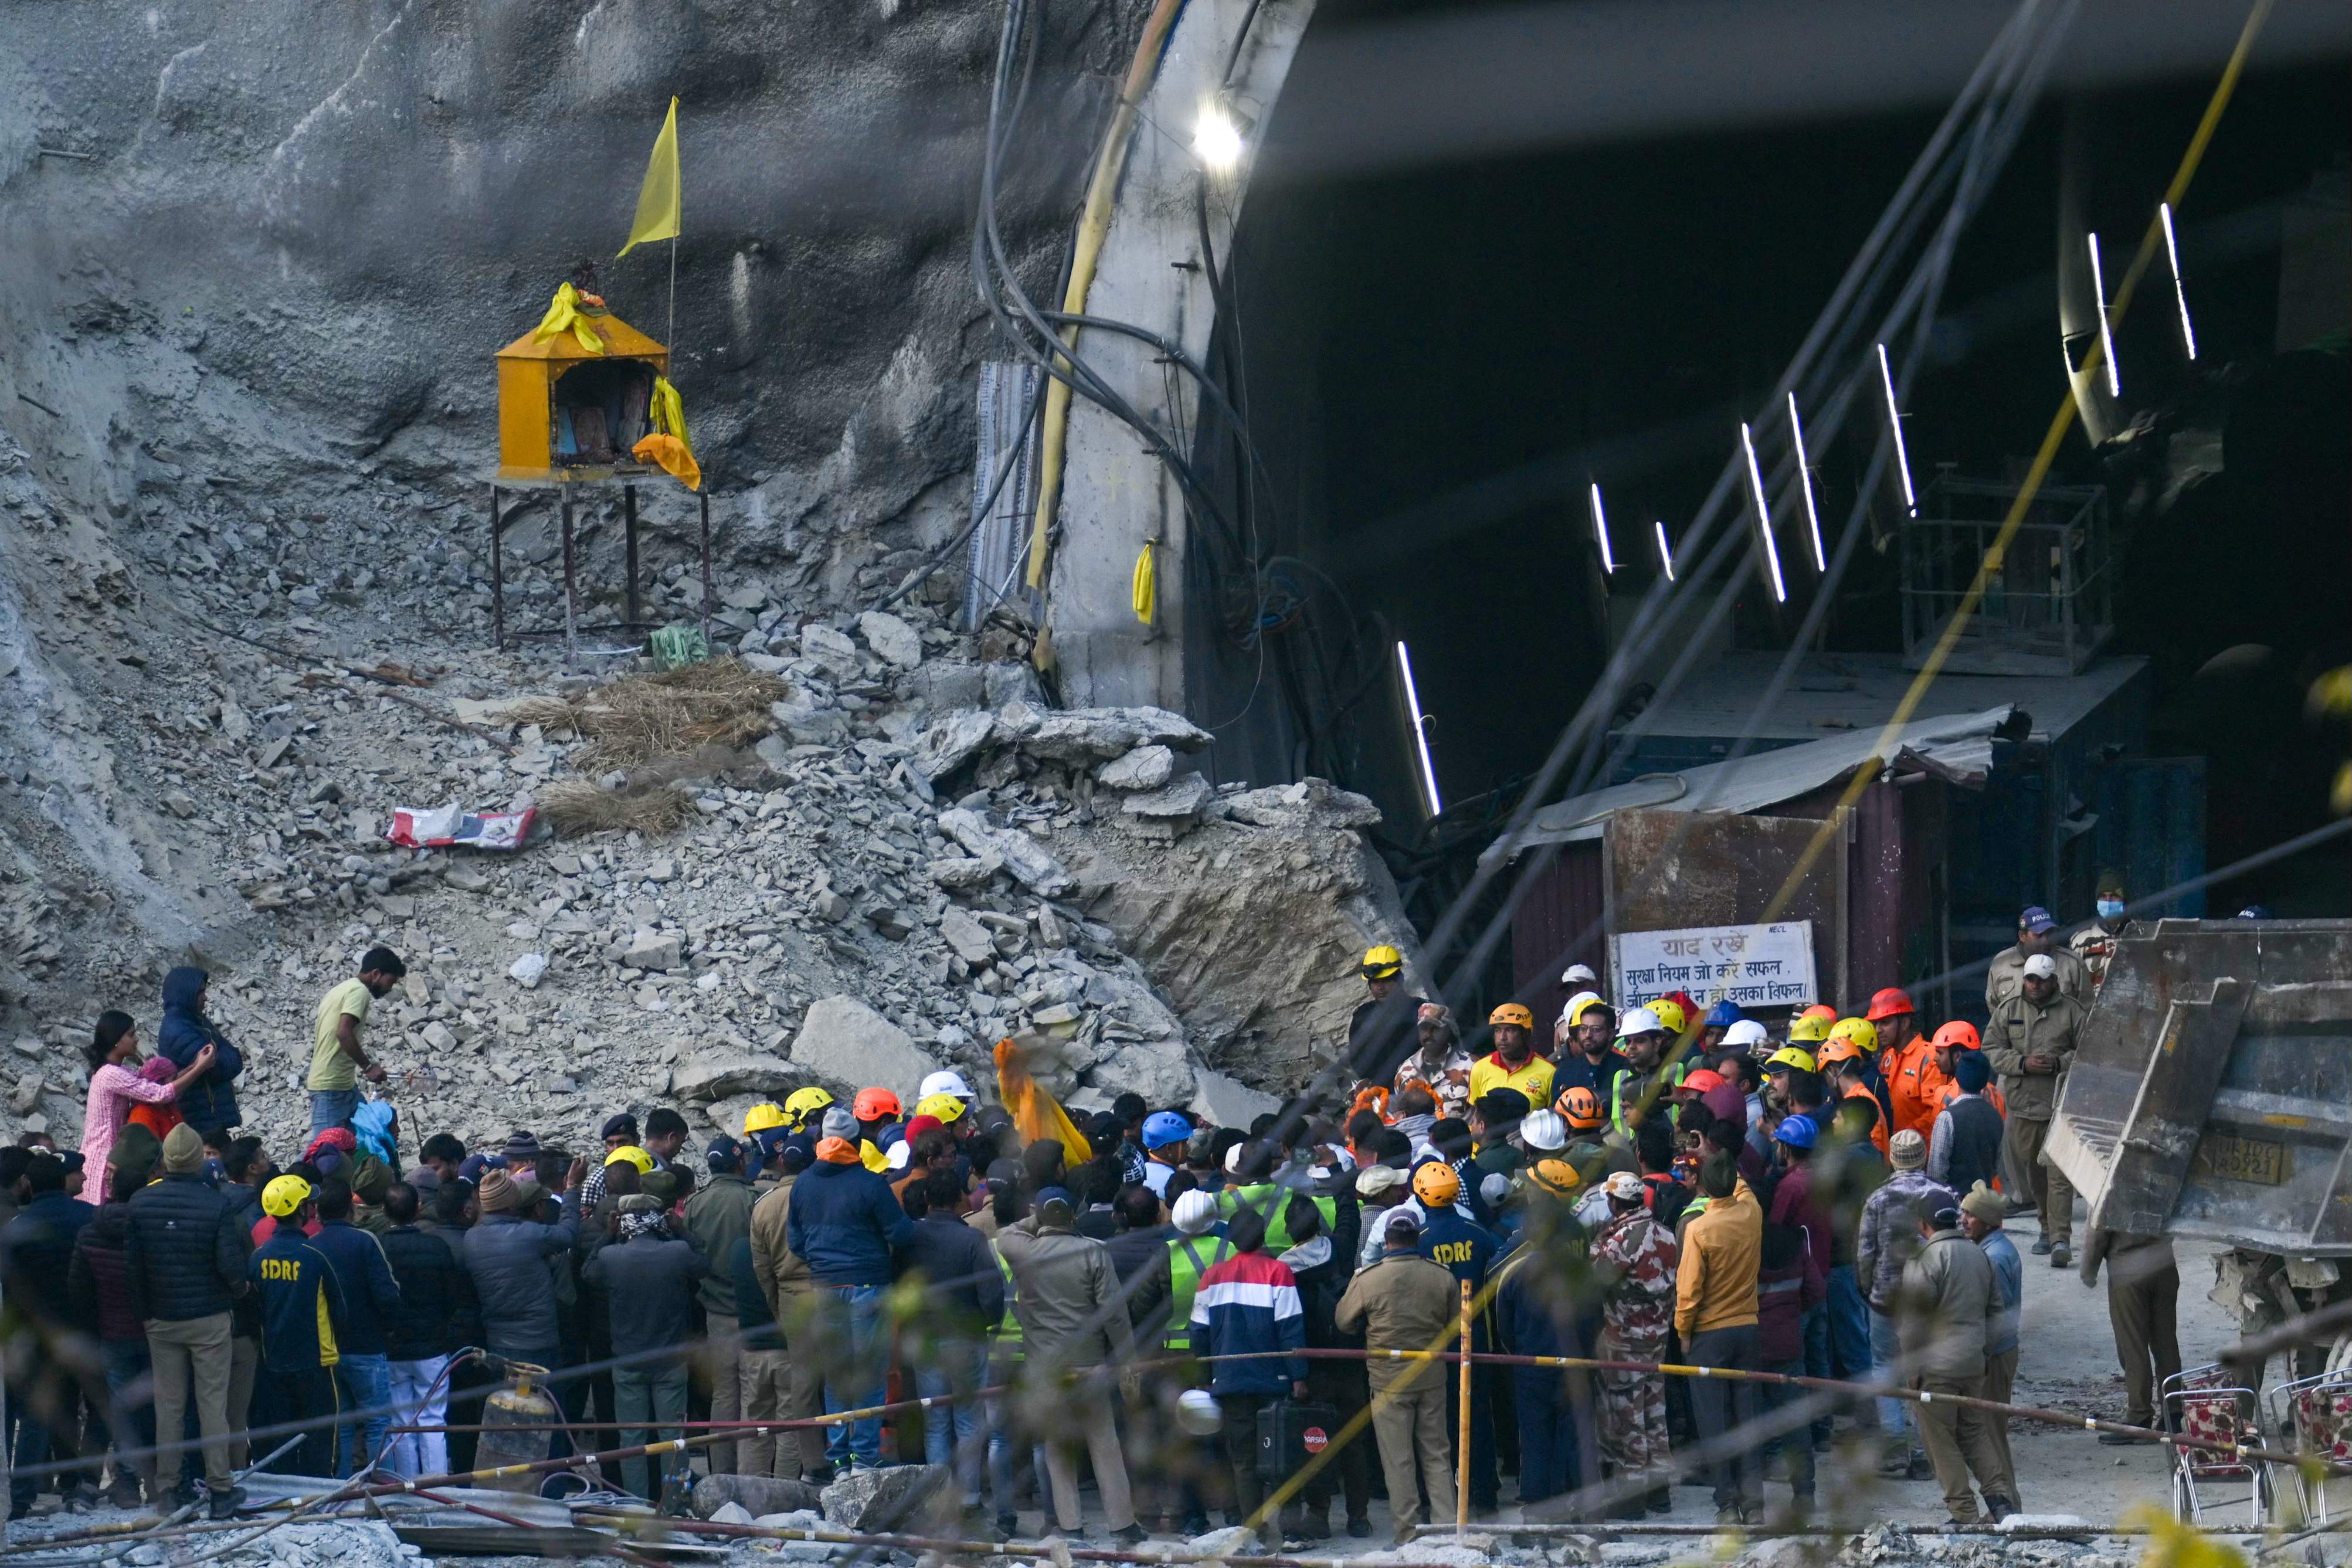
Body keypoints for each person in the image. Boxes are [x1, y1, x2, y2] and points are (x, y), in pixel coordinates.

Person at [1000, 1186, 1143, 1544]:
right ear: (1074, 1217)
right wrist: (1127, 1359)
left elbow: (1005, 1234)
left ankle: (1070, 1526)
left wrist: (1040, 1216)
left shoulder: (1025, 1252)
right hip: (1090, 1365)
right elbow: (1114, 1314)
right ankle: (1122, 1525)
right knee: (1104, 1444)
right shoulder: (1094, 1251)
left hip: (1046, 1369)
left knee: (1058, 1447)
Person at [125, 1125, 249, 1516]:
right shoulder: (215, 1205)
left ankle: (168, 1489)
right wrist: (238, 1292)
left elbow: (135, 1270)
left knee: (169, 1407)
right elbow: (230, 1267)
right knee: (212, 1405)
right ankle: (221, 1490)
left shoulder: (140, 1203)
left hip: (162, 1320)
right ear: (199, 1158)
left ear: (165, 1159)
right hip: (209, 1319)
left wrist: (145, 1313)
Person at [788, 1107, 916, 1475]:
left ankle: (839, 1458)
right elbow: (901, 1234)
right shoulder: (871, 1183)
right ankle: (864, 1458)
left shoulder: (804, 1184)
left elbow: (795, 1242)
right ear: (858, 1142)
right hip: (867, 1286)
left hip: (825, 1288)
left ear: (820, 1142)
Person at [1335, 1210, 1459, 1542]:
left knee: (1399, 1461)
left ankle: (1407, 1534)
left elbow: (1344, 1322)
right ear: (1418, 1238)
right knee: (1437, 1455)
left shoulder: (1368, 1279)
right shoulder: (1442, 1277)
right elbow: (1457, 1325)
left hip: (1388, 1381)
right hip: (1432, 1377)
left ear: (1387, 1240)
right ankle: (1447, 1528)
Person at [1192, 1206, 1308, 1549]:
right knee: (1283, 1458)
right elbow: (1290, 1329)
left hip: (1229, 1381)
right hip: (1274, 1381)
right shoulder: (1279, 1271)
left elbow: (1199, 1333)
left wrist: (1203, 1377)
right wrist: (1299, 1376)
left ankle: (1252, 1532)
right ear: (1262, 1237)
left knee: (1243, 1461)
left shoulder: (1212, 1276)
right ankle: (1291, 1531)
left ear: (1230, 1240)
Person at [583, 1194, 708, 1503]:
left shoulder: (611, 1257)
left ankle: (635, 1504)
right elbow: (705, 1262)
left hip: (627, 1361)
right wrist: (682, 1230)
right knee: (672, 1438)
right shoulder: (678, 1252)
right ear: (660, 1220)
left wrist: (606, 1236)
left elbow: (588, 1272)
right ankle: (674, 1502)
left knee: (632, 1438)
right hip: (671, 1361)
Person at [1898, 1202, 2011, 1524]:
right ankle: (2001, 1501)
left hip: (1937, 1369)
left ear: (1923, 1224)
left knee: (1941, 1441)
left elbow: (1913, 1326)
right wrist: (1983, 1354)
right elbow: (1995, 1313)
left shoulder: (1923, 1261)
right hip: (1973, 1363)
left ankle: (1963, 1512)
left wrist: (1911, 1371)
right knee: (1974, 1433)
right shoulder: (1980, 1255)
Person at [901, 1167, 1003, 1516]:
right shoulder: (973, 1240)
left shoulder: (910, 1237)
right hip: (967, 1339)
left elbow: (899, 1285)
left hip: (926, 1340)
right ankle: (969, 1499)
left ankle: (938, 1500)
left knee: (935, 1421)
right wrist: (987, 1323)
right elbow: (992, 1293)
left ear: (927, 1200)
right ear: (961, 1199)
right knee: (969, 1421)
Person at [5, 1153, 102, 1514]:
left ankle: (23, 1495)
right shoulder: (89, 1216)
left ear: (29, 1185)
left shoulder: (18, 1225)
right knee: (93, 1405)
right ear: (63, 1181)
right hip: (86, 1328)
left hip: (39, 1333)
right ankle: (80, 1483)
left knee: (42, 1410)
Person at [1857, 1130, 1953, 1478]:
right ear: (1924, 1156)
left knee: (1885, 1368)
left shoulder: (1878, 1199)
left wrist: (1867, 1288)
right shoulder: (1944, 1195)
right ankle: (1924, 1452)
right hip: (1928, 1300)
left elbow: (1866, 1251)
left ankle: (1895, 1447)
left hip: (1886, 1298)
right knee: (1924, 1373)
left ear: (1893, 1159)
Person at [1674, 1152, 1763, 1525]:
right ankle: (1755, 1505)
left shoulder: (1700, 1229)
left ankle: (1726, 1504)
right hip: (1748, 1328)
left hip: (1709, 1334)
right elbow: (1741, 1187)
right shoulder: (1751, 1214)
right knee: (1748, 1420)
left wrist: (1683, 1332)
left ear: (1704, 1188)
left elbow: (1688, 1291)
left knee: (1714, 1422)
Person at [1986, 953, 2088, 1268]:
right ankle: (2046, 1228)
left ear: (2054, 981)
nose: (2035, 985)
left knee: (2060, 1176)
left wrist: (2059, 1064)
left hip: (2060, 1106)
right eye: (2030, 979)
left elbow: (2089, 1050)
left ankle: (2061, 1239)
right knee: (2035, 1172)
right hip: (2025, 1107)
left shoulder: (2072, 1011)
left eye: (2042, 980)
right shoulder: (2009, 1011)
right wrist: (2022, 1064)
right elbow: (1990, 1048)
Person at [1278, 1196, 1372, 1539]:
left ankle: (1318, 1517)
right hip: (1349, 1361)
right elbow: (1350, 1217)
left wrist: (1295, 1373)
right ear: (1319, 1223)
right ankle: (1358, 1518)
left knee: (1313, 1441)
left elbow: (1286, 1324)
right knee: (1354, 1443)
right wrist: (1336, 1179)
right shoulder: (1340, 1249)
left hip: (1312, 1368)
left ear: (1290, 1232)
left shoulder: (1283, 1268)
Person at [1411, 1162, 1499, 1512]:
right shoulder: (1478, 1233)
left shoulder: (1419, 1241)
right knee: (1479, 1417)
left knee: (1437, 1423)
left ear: (1420, 1196)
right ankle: (1484, 1492)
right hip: (1477, 1336)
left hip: (1434, 1343)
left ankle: (1442, 1497)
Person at [1589, 1170, 1676, 1517]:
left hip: (1625, 1340)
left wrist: (1598, 1244)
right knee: (1655, 1414)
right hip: (1658, 1338)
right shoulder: (1666, 1234)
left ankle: (1631, 1498)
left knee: (1627, 1419)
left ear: (1614, 1202)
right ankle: (1660, 1492)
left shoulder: (1622, 1239)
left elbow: (1597, 1278)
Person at [67, 1163, 152, 1506]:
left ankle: (125, 1483)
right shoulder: (148, 1230)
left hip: (111, 1335)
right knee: (157, 1407)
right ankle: (149, 1481)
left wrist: (94, 1328)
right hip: (151, 1332)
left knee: (119, 1409)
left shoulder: (89, 1232)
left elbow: (79, 1291)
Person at [249, 1175, 344, 1478]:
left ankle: (287, 1490)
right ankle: (319, 1494)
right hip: (316, 1361)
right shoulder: (316, 1256)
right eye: (308, 1203)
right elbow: (340, 1309)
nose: (313, 1208)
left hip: (274, 1362)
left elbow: (253, 1310)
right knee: (320, 1435)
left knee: (285, 1435)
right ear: (300, 1209)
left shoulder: (258, 1258)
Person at [306, 1176, 402, 1476]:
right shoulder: (366, 1242)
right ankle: (383, 1489)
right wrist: (389, 1328)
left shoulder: (310, 1247)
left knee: (343, 1426)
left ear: (319, 1214)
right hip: (368, 1346)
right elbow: (387, 1294)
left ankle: (343, 1491)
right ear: (351, 1210)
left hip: (329, 1351)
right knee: (377, 1423)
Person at [378, 1182, 475, 1478]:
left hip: (393, 1349)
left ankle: (406, 1485)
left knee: (402, 1421)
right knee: (433, 1419)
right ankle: (436, 1487)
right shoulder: (436, 1246)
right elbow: (452, 1298)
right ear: (417, 1208)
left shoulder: (378, 1246)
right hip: (432, 1347)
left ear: (385, 1211)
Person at [749, 1141, 829, 1482]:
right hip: (831, 1290)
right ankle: (849, 1458)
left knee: (805, 1385)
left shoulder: (764, 1207)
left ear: (782, 1162)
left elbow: (762, 1268)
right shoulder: (825, 1197)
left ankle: (814, 1464)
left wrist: (777, 1306)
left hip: (791, 1298)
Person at [684, 1135, 759, 1475]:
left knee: (724, 1394)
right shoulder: (753, 1199)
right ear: (740, 1162)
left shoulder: (695, 1204)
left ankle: (720, 1473)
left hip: (716, 1313)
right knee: (754, 1396)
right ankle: (749, 1473)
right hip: (754, 1313)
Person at [460, 1165, 581, 1370]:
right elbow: (568, 1234)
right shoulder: (529, 1235)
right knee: (545, 1400)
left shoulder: (471, 1239)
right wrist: (572, 1188)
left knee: (507, 1400)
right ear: (511, 1202)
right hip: (538, 1343)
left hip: (497, 1344)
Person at [80, 1012, 214, 1191]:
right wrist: (199, 1069)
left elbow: (154, 1085)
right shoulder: (111, 1074)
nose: (136, 1040)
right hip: (103, 1158)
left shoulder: (117, 1071)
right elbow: (160, 1093)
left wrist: (194, 1065)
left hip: (111, 1154)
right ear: (115, 1040)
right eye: (131, 1034)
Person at [2081, 1223, 2181, 1441]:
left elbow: (2098, 1228)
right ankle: (2173, 1413)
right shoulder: (2167, 1185)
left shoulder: (2111, 1186)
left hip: (2127, 1268)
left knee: (2132, 1346)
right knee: (2166, 1343)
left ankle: (2139, 1416)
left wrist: (2088, 1270)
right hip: (2164, 1262)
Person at [1754, 1217, 1822, 1517]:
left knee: (1748, 1420)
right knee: (1796, 1421)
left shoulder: (1746, 1246)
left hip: (1750, 1344)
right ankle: (1805, 1495)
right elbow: (1816, 1291)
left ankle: (1751, 1503)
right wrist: (1794, 1313)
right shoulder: (1796, 1245)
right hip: (1788, 1343)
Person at [1959, 1183, 2022, 1502]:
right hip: (2000, 1353)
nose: (1964, 1219)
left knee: (1991, 1435)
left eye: (1971, 1215)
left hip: (1995, 1357)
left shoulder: (1993, 1258)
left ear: (1986, 1220)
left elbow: (1996, 1318)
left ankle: (2008, 1505)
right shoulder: (1997, 1250)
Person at [307, 947, 403, 1139]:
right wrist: (368, 1067)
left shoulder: (343, 988)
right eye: (390, 982)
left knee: (361, 1135)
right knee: (324, 1152)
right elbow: (343, 1033)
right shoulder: (360, 992)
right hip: (330, 1088)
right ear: (376, 974)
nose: (390, 989)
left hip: (344, 1086)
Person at [155, 967, 245, 1149]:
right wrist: (223, 1054)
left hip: (210, 1118)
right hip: (200, 1121)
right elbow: (218, 1067)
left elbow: (235, 1059)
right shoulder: (177, 1030)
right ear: (186, 994)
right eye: (201, 992)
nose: (206, 998)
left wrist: (225, 1055)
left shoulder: (196, 1022)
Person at [1927, 1048, 2004, 1196]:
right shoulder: (1996, 1116)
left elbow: (1937, 1171)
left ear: (1959, 1078)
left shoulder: (1947, 1117)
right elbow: (1998, 1165)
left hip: (1956, 1201)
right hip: (1984, 1203)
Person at [1346, 945, 1426, 1083]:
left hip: (1424, 1088)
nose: (1380, 988)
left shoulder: (1422, 1012)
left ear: (1400, 979)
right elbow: (1358, 1061)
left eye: (1386, 980)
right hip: (1383, 1093)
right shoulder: (1363, 1017)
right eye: (1375, 982)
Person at [1984, 905, 2088, 1011]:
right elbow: (1994, 1008)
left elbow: (2086, 1009)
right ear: (2022, 936)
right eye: (2039, 935)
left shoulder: (2072, 963)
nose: (2046, 940)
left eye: (2050, 934)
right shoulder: (2002, 963)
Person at [1393, 1003, 1474, 1122]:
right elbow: (1401, 1118)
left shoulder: (1471, 1066)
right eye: (1424, 1028)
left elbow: (1482, 1116)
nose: (1428, 1034)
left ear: (1448, 1030)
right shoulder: (1405, 1072)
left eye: (1435, 1028)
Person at [1469, 1003, 1555, 1112]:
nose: (1502, 1037)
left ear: (1526, 1034)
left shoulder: (1548, 1072)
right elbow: (1475, 1115)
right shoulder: (1480, 1068)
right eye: (1498, 1030)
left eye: (1509, 1030)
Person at [1553, 995, 1628, 1102]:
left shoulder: (1625, 1068)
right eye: (1583, 1029)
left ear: (1611, 1034)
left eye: (1595, 1029)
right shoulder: (1565, 1070)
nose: (1588, 1035)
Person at [2071, 872, 2129, 990]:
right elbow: (2074, 985)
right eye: (2103, 896)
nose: (2108, 901)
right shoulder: (2081, 939)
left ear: (2124, 899)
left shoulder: (2140, 933)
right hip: (2093, 1007)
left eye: (2114, 896)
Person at [1139, 1112, 1191, 1196]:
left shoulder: (1141, 1172)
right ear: (1169, 1149)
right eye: (1184, 1143)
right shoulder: (1176, 1183)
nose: (1188, 1148)